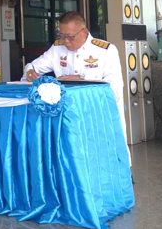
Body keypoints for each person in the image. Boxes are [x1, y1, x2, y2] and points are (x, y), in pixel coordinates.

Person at [23, 11, 128, 143]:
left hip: (98, 118)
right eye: (62, 36)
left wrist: (83, 79)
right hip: (69, 119)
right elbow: (32, 66)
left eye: (70, 37)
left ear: (84, 32)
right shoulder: (57, 49)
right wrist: (30, 71)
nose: (66, 41)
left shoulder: (106, 50)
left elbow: (114, 90)